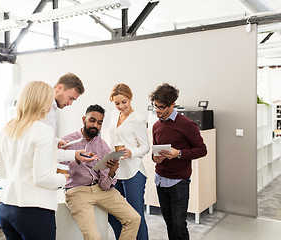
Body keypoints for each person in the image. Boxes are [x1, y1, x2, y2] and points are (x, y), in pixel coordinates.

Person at [0, 81, 68, 240]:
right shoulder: (43, 131)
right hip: (33, 211)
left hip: (6, 209)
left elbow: (2, 172)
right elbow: (42, 178)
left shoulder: (6, 129)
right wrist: (63, 178)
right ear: (44, 103)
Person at [61, 104, 141, 240]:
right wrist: (78, 160)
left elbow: (105, 185)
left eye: (99, 123)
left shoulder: (102, 145)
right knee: (94, 237)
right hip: (77, 191)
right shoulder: (67, 142)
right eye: (92, 120)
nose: (95, 126)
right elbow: (61, 174)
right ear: (83, 119)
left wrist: (111, 172)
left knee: (134, 218)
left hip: (100, 190)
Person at [149, 83, 207, 240]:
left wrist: (178, 153)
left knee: (179, 226)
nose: (157, 110)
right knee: (169, 223)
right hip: (160, 180)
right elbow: (154, 152)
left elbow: (202, 149)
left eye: (161, 107)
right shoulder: (156, 126)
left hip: (179, 183)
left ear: (172, 105)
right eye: (155, 106)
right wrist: (155, 158)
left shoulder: (187, 125)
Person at [107, 83, 150, 240]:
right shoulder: (113, 115)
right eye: (117, 103)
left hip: (133, 173)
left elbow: (146, 147)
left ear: (130, 99)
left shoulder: (138, 120)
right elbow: (110, 138)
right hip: (115, 172)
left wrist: (131, 152)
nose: (120, 106)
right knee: (115, 214)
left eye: (124, 102)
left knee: (136, 215)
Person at [44, 72, 92, 163]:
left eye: (73, 100)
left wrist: (57, 142)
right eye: (70, 98)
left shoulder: (54, 108)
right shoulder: (45, 107)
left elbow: (45, 139)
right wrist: (74, 155)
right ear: (60, 87)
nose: (70, 104)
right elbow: (43, 149)